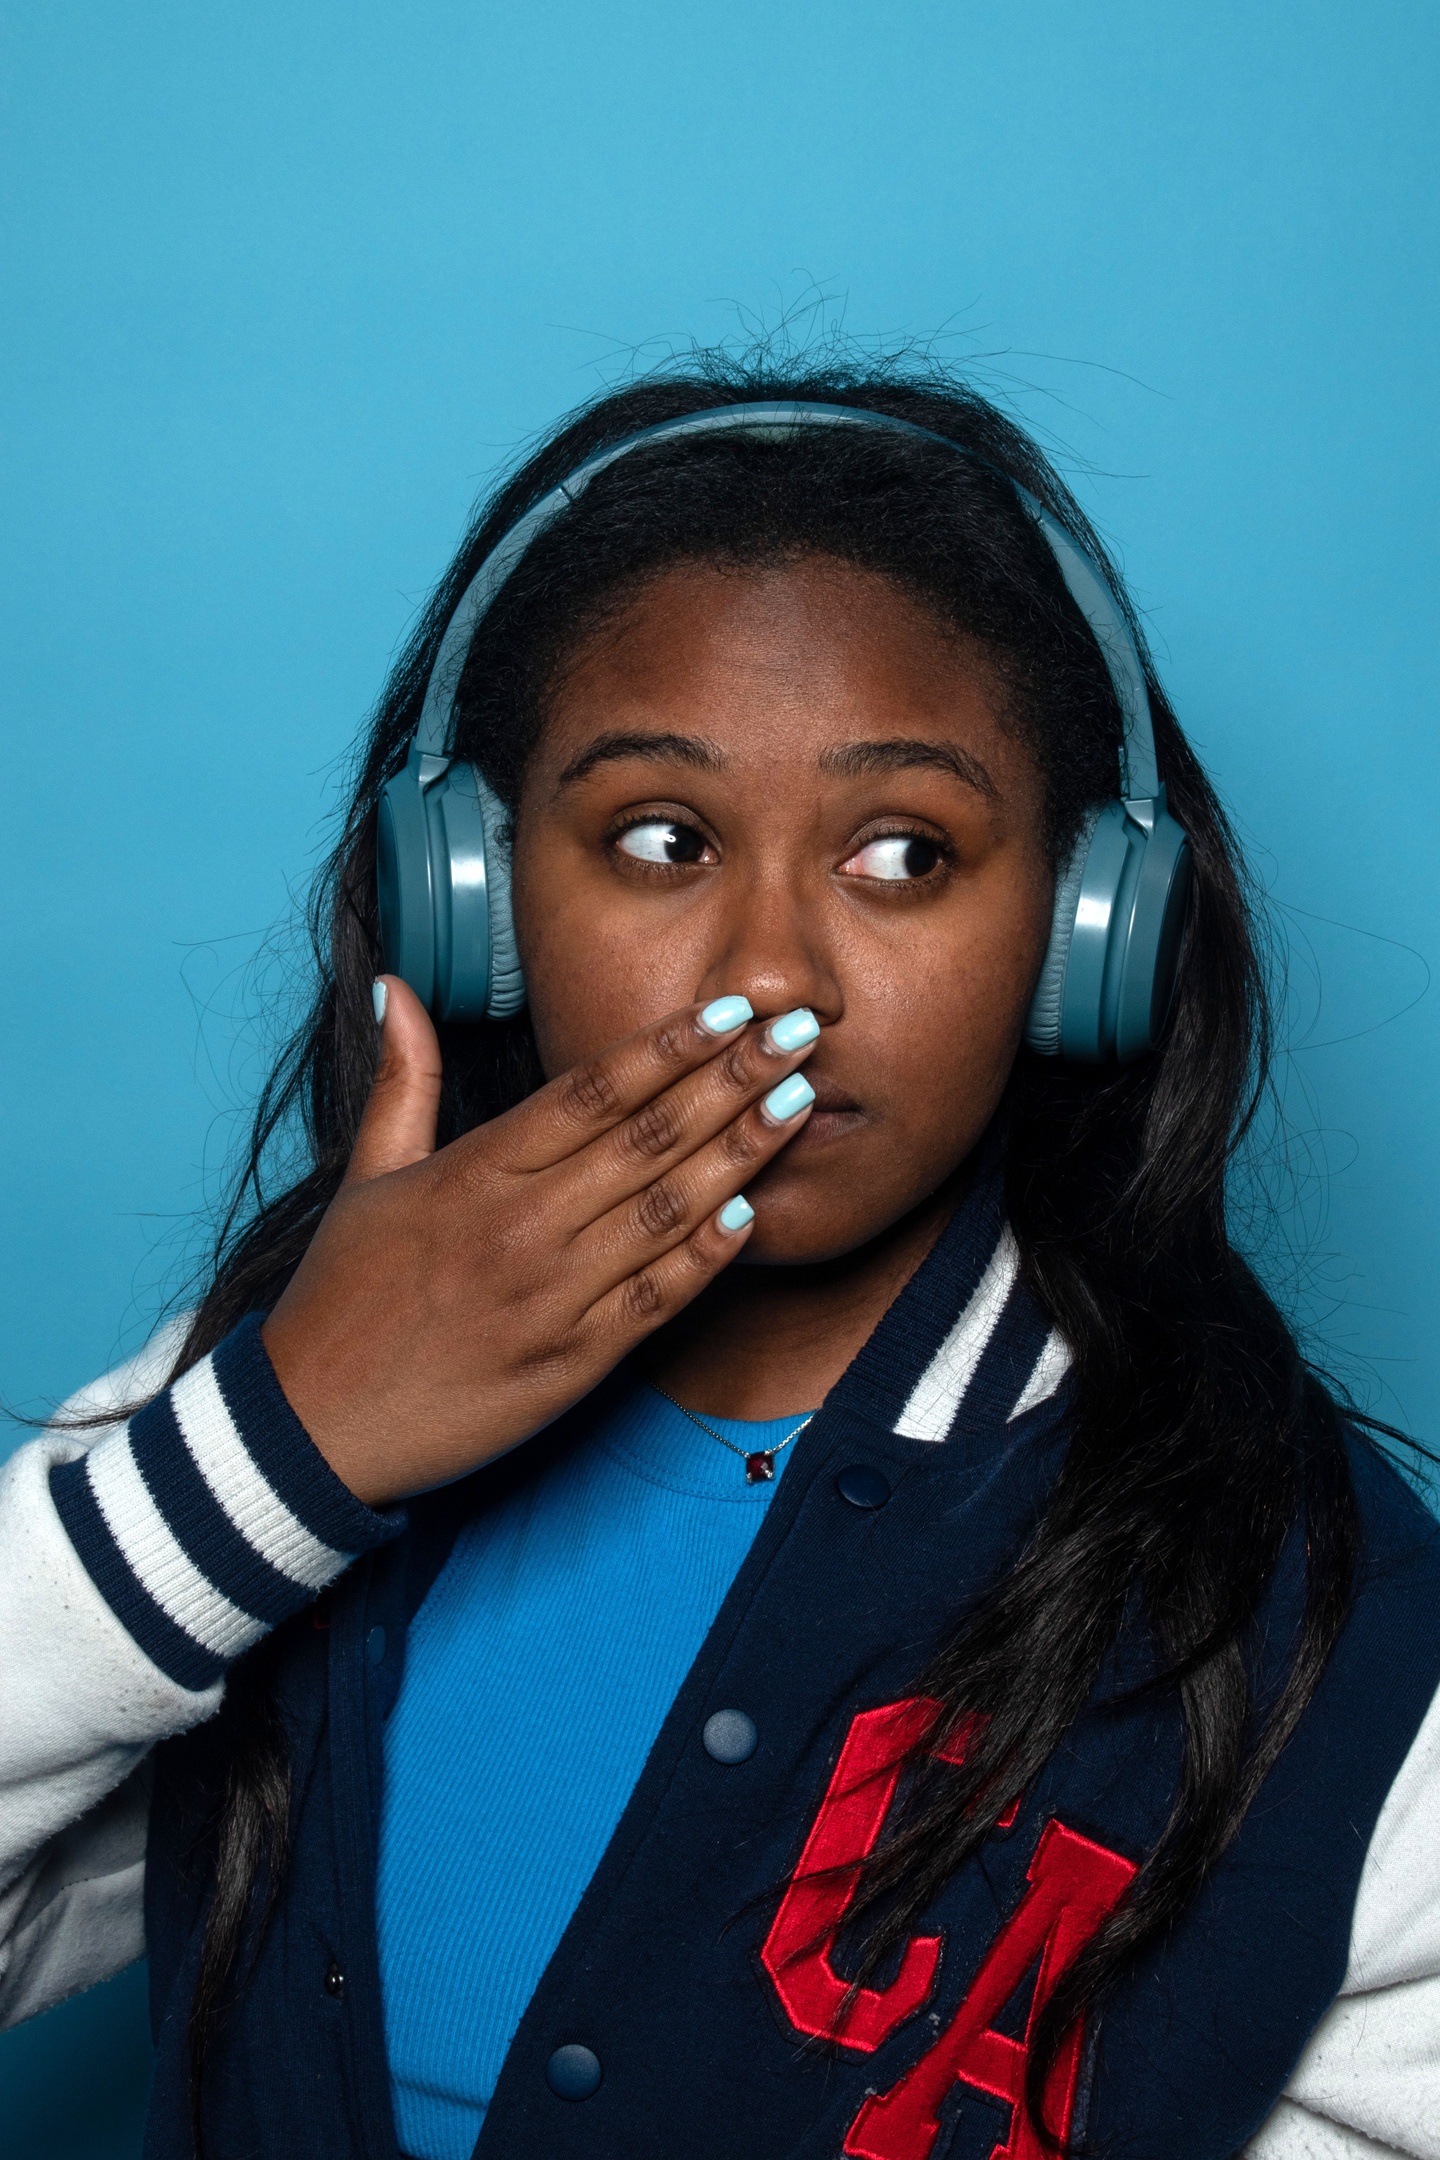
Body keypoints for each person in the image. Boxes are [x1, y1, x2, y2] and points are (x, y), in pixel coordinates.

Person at [1, 365, 1437, 2160]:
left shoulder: (1349, 1645)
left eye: (905, 854)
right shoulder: (292, 1388)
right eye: (659, 841)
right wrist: (283, 1450)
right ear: (478, 893)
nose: (776, 976)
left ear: (1091, 932)